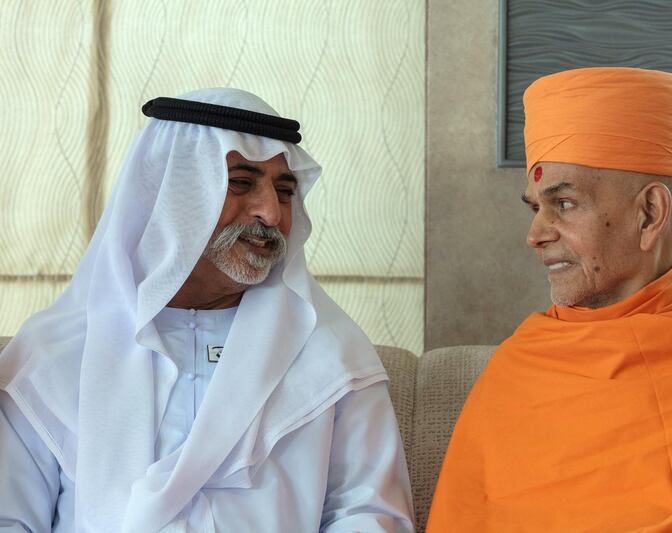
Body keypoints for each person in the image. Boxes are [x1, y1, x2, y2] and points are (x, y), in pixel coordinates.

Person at [0, 89, 414, 532]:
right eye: (241, 183)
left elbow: (371, 514)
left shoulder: (331, 353)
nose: (271, 213)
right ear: (175, 193)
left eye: (285, 190)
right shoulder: (52, 356)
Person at [425, 67, 672, 531]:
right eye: (535, 207)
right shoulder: (518, 370)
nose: (535, 234)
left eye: (563, 204)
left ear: (650, 213)